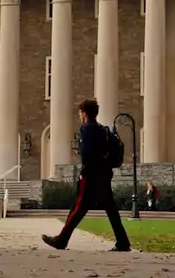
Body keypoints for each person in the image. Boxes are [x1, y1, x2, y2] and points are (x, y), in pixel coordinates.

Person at [41, 99, 131, 252]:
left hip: (91, 175)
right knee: (110, 209)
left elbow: (88, 154)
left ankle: (61, 240)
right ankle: (123, 242)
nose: (79, 116)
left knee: (78, 208)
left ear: (84, 113)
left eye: (80, 113)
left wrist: (84, 172)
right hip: (104, 174)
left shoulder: (86, 129)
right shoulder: (102, 129)